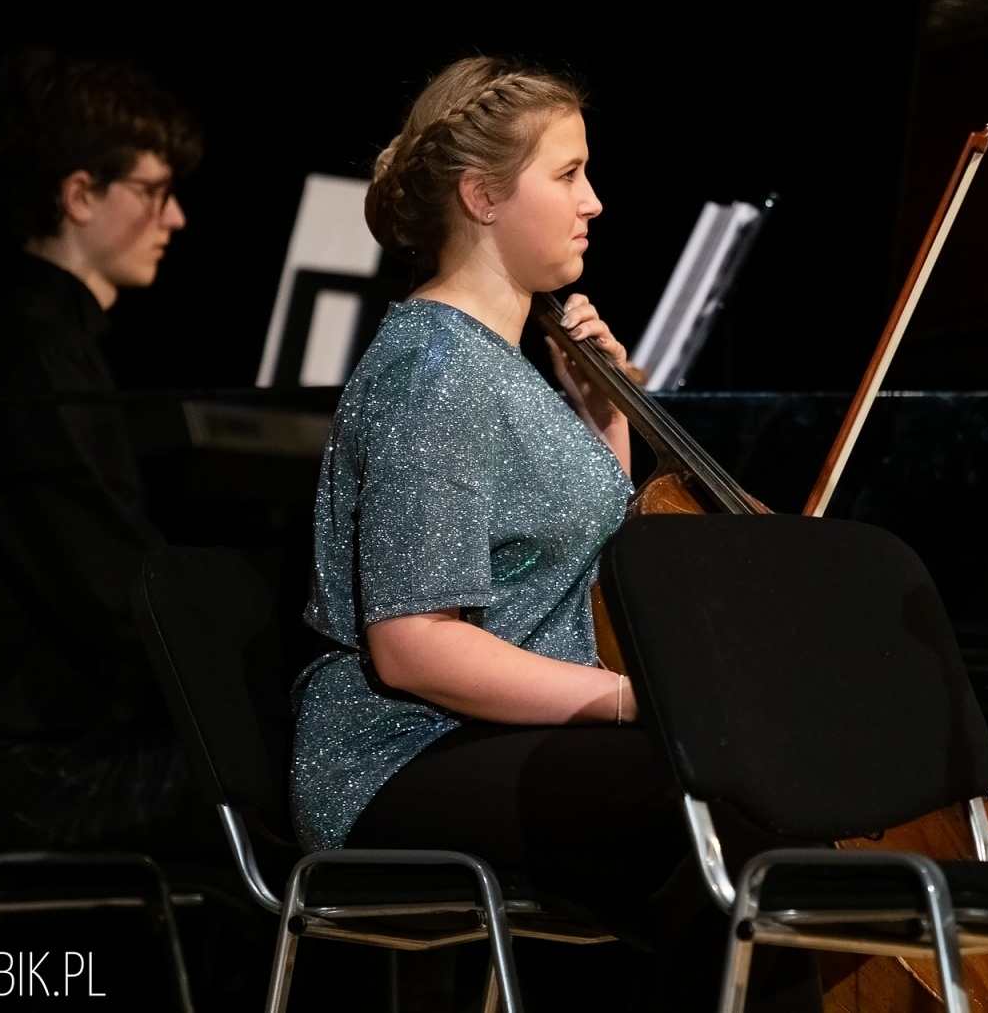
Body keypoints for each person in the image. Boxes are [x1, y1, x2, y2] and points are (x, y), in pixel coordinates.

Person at [290, 56, 819, 1011]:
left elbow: (578, 579)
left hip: (492, 737)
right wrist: (630, 702)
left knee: (746, 816)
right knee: (721, 828)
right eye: (569, 174)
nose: (597, 201)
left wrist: (605, 424)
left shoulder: (509, 365)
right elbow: (413, 646)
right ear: (483, 195)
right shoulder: (434, 369)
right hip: (404, 753)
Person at [0, 50, 218, 867]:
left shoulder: (52, 345)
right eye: (154, 191)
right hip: (23, 775)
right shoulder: (29, 354)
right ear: (80, 194)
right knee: (314, 783)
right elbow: (111, 593)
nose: (176, 217)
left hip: (50, 756)